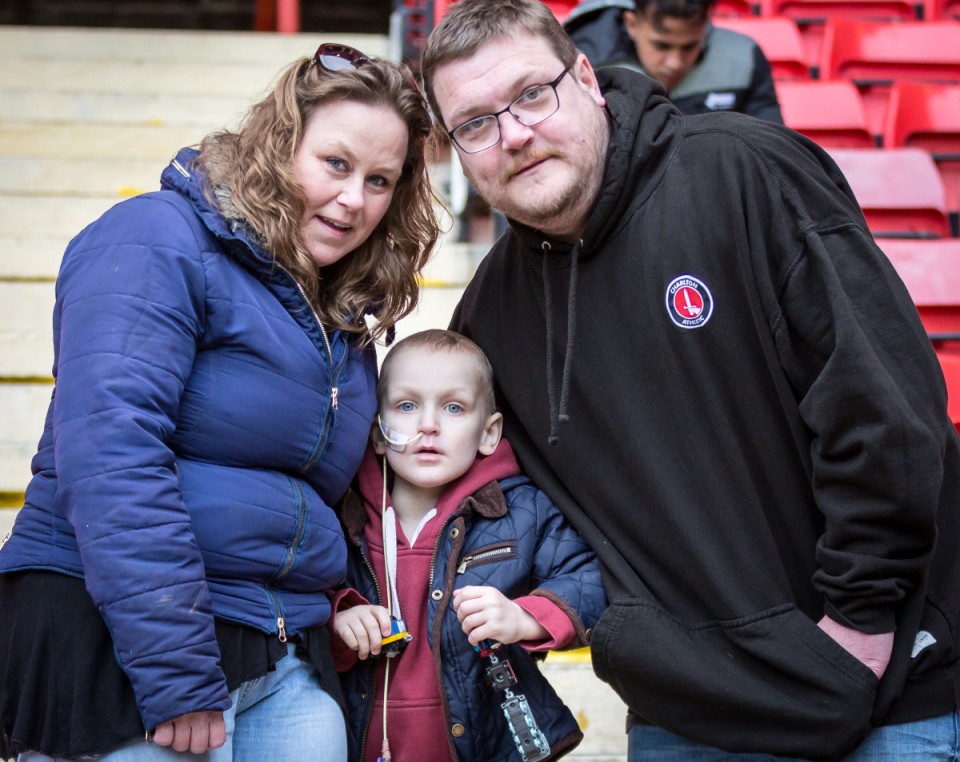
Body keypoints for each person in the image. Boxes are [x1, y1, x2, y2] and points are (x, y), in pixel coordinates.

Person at [419, 1, 960, 759]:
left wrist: (860, 623)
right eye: (475, 123)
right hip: (685, 716)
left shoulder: (747, 174)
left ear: (587, 80)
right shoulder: (490, 314)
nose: (513, 134)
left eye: (532, 95)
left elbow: (884, 412)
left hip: (886, 689)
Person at [0, 43, 440, 762]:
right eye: (335, 163)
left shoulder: (342, 322)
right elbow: (111, 454)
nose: (354, 199)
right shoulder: (157, 237)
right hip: (128, 649)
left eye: (380, 180)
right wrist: (175, 669)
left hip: (283, 654)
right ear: (278, 144)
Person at [330, 329, 607, 762]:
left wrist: (525, 617)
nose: (428, 425)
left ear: (488, 433)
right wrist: (339, 618)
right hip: (358, 742)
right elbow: (300, 593)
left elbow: (591, 580)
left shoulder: (521, 510)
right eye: (407, 406)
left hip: (482, 744)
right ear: (378, 432)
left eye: (454, 407)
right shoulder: (343, 515)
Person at [563, 0, 784, 122]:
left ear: (705, 25)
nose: (675, 63)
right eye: (662, 46)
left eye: (689, 47)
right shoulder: (581, 63)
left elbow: (771, 146)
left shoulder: (744, 58)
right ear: (632, 25)